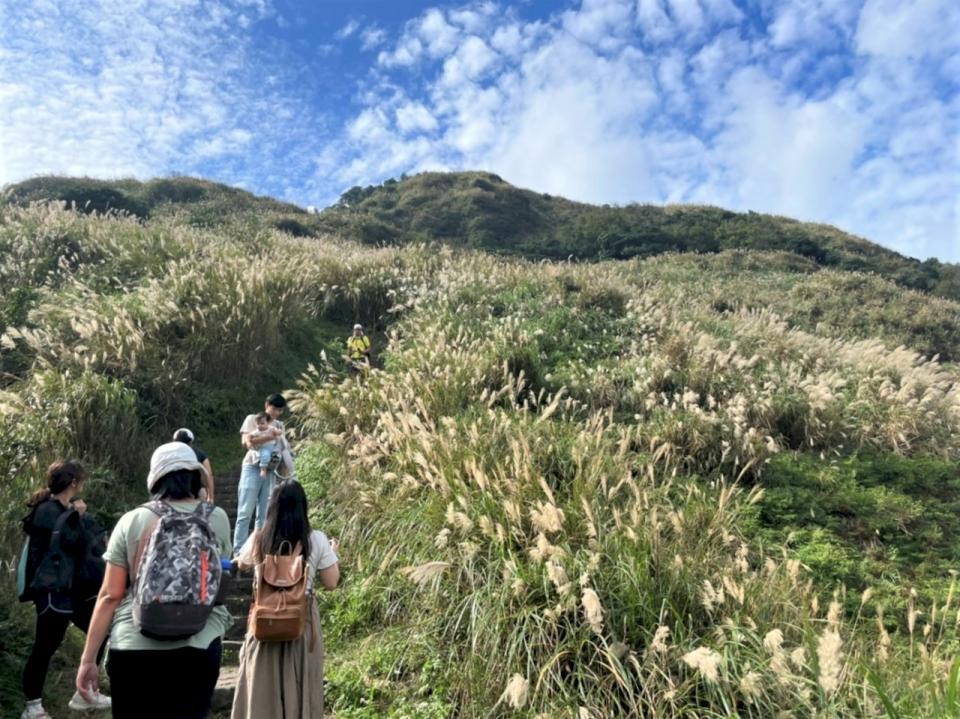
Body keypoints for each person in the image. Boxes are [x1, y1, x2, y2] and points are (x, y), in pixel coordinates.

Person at [75, 442, 233, 719]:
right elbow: (219, 577)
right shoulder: (216, 517)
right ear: (196, 476)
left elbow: (110, 595)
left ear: (156, 478)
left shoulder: (132, 520)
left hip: (134, 648)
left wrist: (88, 659)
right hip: (198, 644)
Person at [230, 480, 339, 719]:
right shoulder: (316, 540)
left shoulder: (259, 538)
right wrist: (333, 553)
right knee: (301, 684)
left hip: (264, 624)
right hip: (300, 625)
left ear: (272, 508)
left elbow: (241, 563)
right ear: (303, 508)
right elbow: (331, 583)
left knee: (261, 690)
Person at [21, 460, 110, 719]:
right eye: (81, 480)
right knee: (46, 646)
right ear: (74, 482)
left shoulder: (63, 509)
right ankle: (32, 707)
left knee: (100, 628)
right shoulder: (46, 510)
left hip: (72, 589)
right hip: (51, 589)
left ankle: (85, 691)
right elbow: (67, 541)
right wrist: (76, 516)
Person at [234, 394, 287, 553]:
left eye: (279, 410)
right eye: (274, 408)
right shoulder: (253, 419)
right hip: (252, 467)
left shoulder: (279, 425)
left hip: (270, 470)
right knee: (245, 512)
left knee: (264, 515)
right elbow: (246, 442)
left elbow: (281, 448)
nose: (276, 412)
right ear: (266, 405)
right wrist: (268, 437)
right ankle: (239, 551)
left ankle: (259, 551)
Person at [173, 427, 215, 502]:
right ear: (191, 441)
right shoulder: (199, 454)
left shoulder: (170, 455)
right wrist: (210, 496)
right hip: (197, 492)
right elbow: (209, 474)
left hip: (175, 492)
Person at [253, 412, 281, 479]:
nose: (260, 425)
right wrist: (249, 439)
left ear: (267, 423)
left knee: (279, 454)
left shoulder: (271, 428)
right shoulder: (257, 431)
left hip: (273, 446)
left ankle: (276, 466)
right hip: (264, 447)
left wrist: (277, 432)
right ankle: (263, 469)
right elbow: (250, 436)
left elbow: (278, 431)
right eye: (258, 424)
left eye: (262, 423)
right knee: (265, 454)